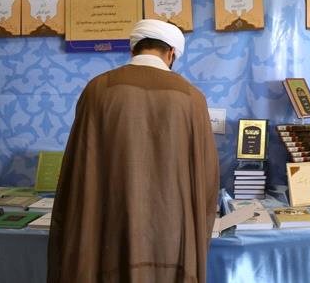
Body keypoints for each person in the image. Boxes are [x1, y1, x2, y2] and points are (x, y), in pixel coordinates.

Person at [48, 19, 219, 283]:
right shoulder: (192, 98)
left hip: (108, 228)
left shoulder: (98, 89)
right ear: (171, 53)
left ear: (133, 48)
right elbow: (206, 178)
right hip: (171, 234)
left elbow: (79, 166)